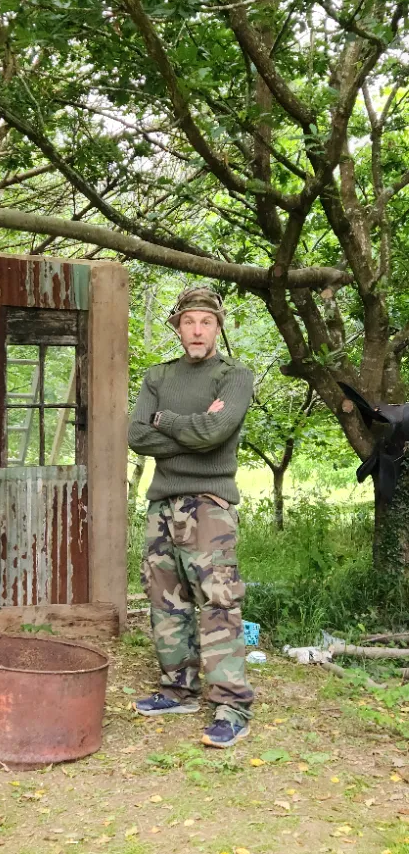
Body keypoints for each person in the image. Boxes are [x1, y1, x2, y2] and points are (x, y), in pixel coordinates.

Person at [128, 287, 254, 748]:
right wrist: (195, 431)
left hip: (209, 507)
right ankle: (178, 689)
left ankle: (231, 706)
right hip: (162, 506)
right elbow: (136, 435)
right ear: (177, 327)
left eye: (206, 321)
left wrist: (166, 421)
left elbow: (216, 432)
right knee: (166, 600)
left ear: (218, 327)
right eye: (189, 321)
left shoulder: (235, 376)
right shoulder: (158, 376)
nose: (197, 330)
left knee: (218, 602)